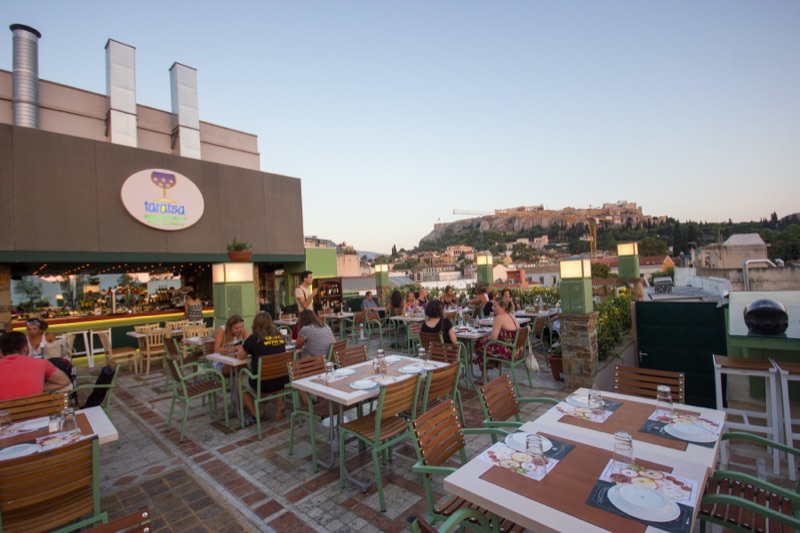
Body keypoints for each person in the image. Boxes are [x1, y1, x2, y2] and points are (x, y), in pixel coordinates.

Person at [236, 312, 288, 425]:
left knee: (239, 380)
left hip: (263, 384)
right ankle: (280, 405)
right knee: (272, 373)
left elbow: (240, 356)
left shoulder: (254, 338)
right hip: (282, 381)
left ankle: (256, 413)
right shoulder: (279, 336)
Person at [0, 331, 72, 401]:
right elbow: (65, 381)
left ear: (1, 352)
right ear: (25, 349)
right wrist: (38, 387)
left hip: (5, 411)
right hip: (39, 411)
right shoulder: (41, 363)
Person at [473, 296, 521, 381]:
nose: (492, 308)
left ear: (502, 307)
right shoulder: (511, 316)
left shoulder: (499, 317)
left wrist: (486, 339)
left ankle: (483, 376)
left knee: (481, 346)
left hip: (508, 352)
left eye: (495, 306)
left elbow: (494, 337)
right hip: (517, 350)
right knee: (483, 345)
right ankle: (479, 360)